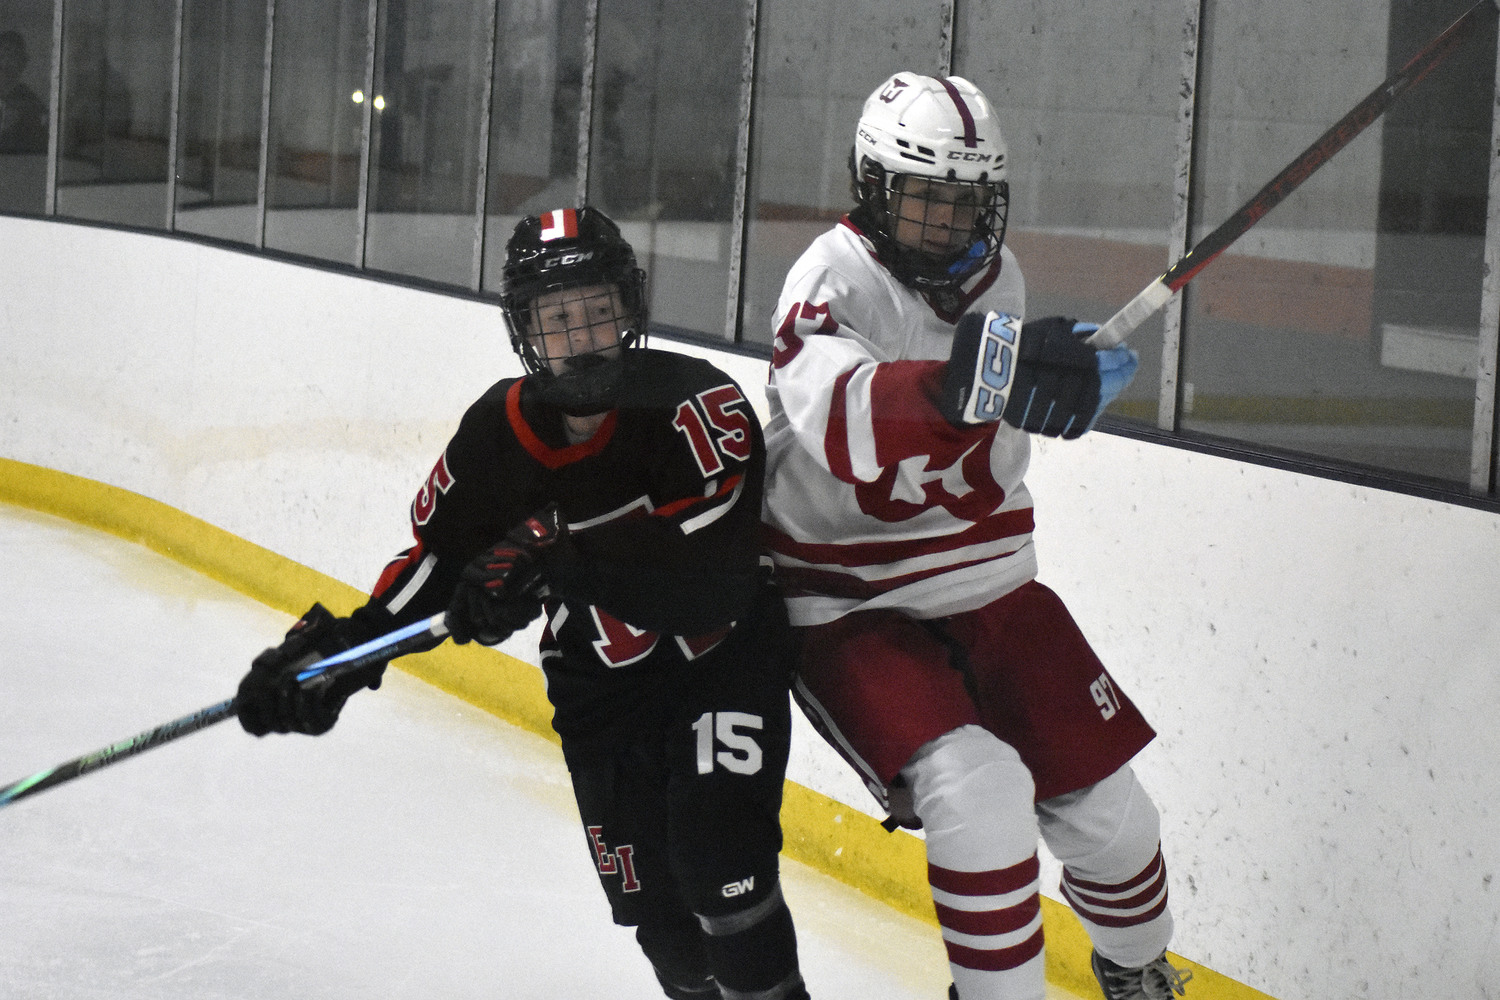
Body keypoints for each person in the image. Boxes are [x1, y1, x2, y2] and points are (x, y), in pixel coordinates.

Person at [236, 206, 811, 1000]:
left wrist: (560, 555)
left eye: (598, 312)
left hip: (719, 666)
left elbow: (712, 576)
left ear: (630, 310)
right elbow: (436, 568)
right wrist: (337, 657)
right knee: (669, 936)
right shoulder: (494, 436)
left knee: (723, 868)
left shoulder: (696, 407)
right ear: (524, 332)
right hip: (601, 699)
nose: (581, 339)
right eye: (558, 319)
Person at [760, 72, 1191, 1000]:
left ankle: (1137, 966)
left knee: (1115, 818)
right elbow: (842, 422)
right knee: (980, 792)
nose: (946, 223)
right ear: (873, 189)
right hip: (850, 604)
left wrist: (1064, 378)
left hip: (989, 583)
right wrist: (971, 381)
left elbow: (993, 428)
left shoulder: (1001, 278)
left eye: (966, 202)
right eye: (923, 198)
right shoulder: (828, 280)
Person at [0, 30, 48, 155]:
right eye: (1, 56)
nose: (5, 64)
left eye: (13, 57)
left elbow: (40, 147)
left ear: (23, 63)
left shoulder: (32, 103)